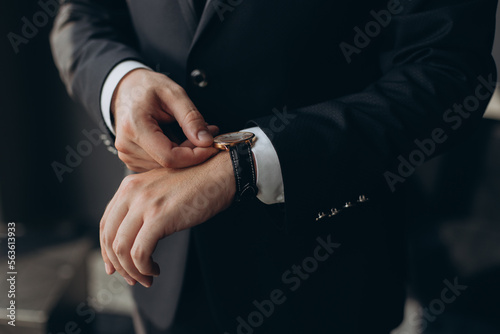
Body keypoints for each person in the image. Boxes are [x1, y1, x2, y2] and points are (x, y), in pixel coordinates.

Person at [50, 0, 497, 333]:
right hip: (162, 272)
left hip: (325, 282)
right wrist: (120, 82)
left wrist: (245, 164)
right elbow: (81, 16)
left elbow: (445, 72)